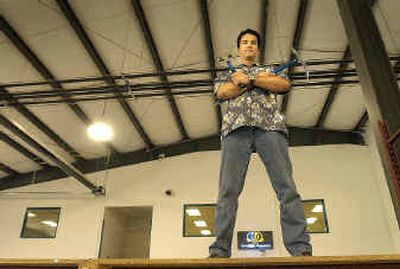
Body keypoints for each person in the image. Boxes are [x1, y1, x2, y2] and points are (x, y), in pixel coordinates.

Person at [208, 28, 312, 258]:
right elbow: (222, 92)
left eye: (253, 42)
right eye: (244, 42)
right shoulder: (229, 73)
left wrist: (253, 78)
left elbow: (284, 86)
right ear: (239, 48)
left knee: (286, 188)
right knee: (228, 191)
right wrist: (243, 82)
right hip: (235, 129)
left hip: (271, 128)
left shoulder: (269, 71)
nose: (249, 45)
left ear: (258, 48)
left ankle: (300, 248)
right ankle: (219, 250)